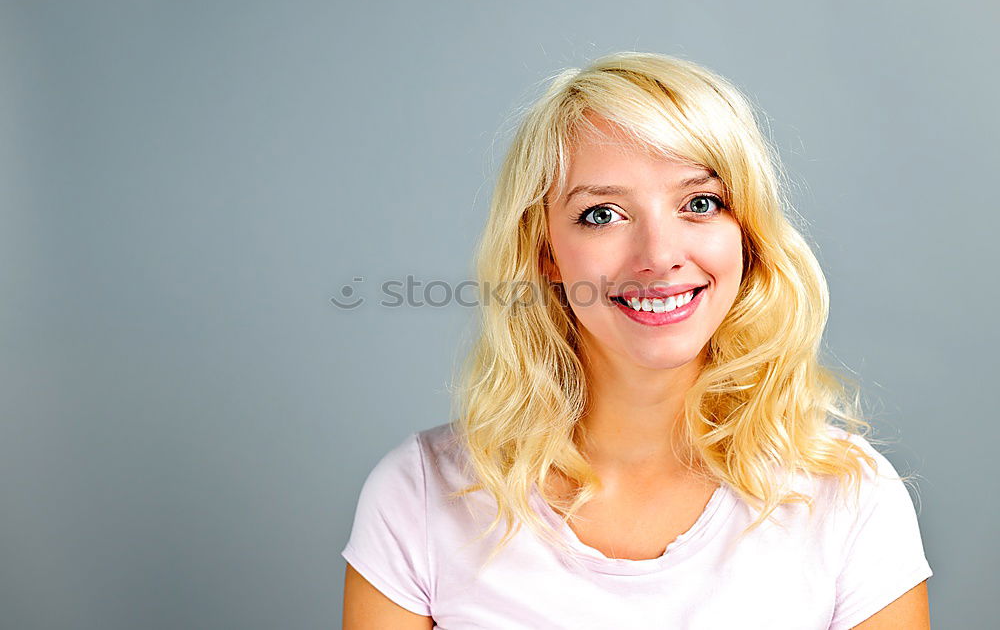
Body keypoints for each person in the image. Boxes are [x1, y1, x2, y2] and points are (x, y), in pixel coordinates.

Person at [341, 51, 933, 629]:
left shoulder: (849, 498)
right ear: (545, 251)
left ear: (747, 234)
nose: (659, 256)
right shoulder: (419, 497)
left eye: (700, 204)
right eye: (603, 214)